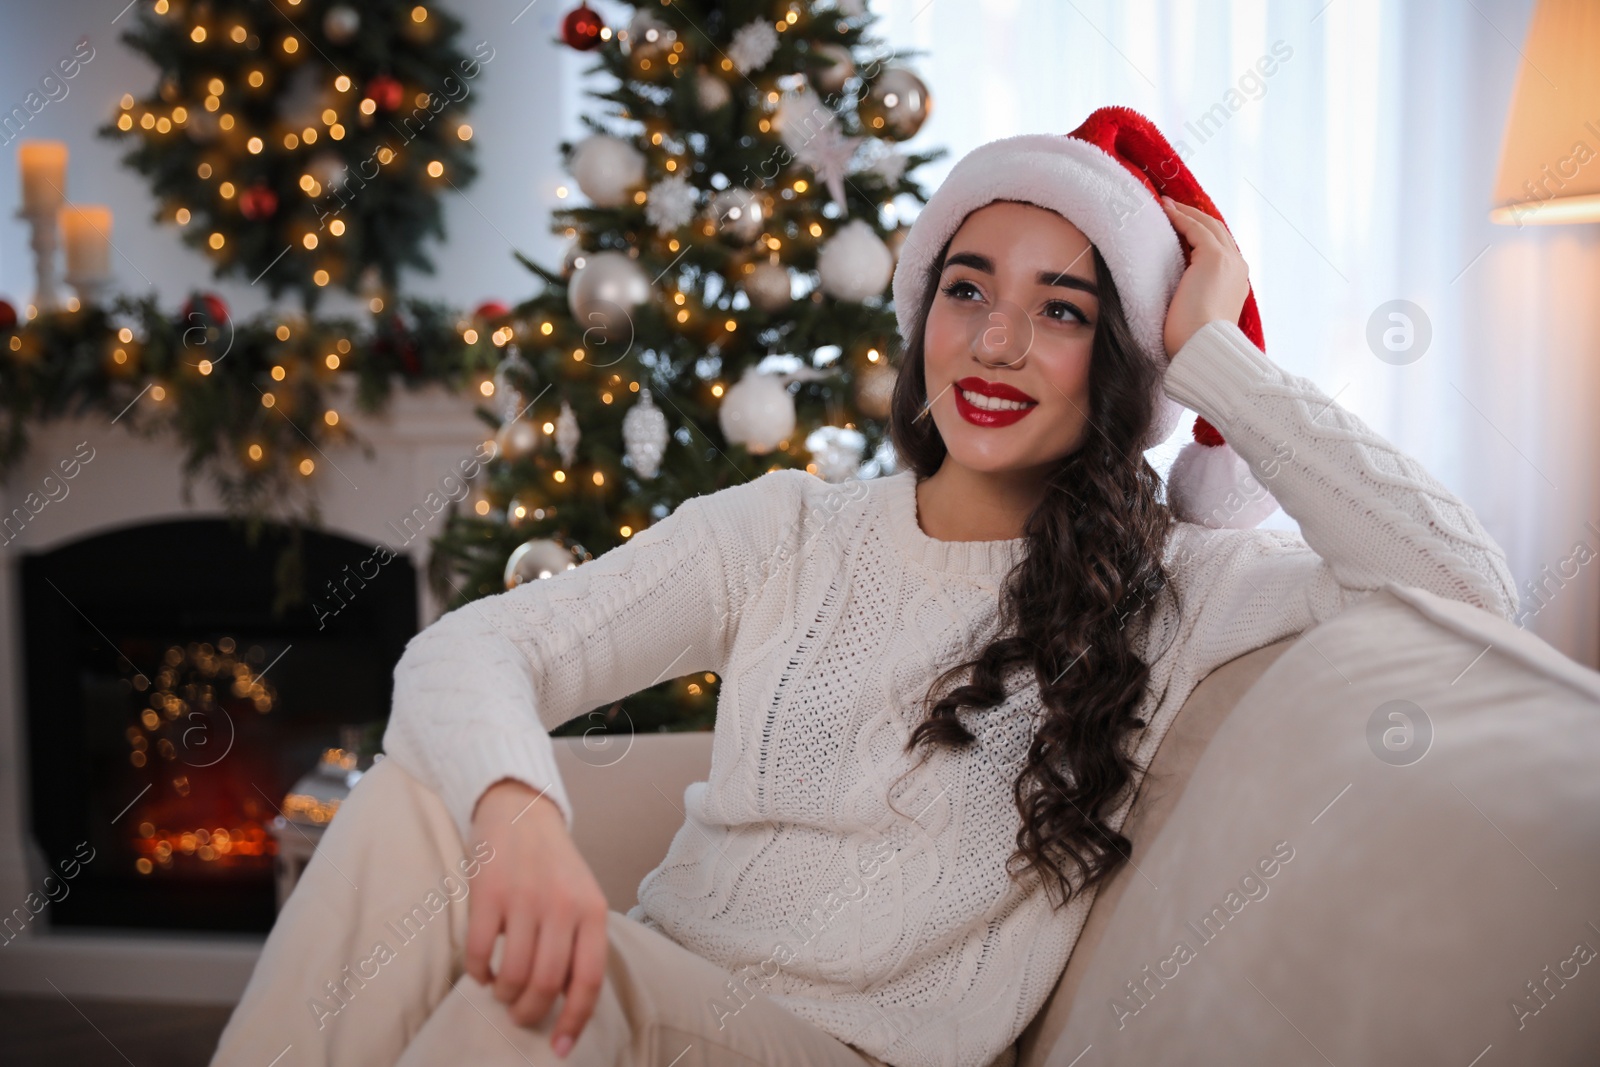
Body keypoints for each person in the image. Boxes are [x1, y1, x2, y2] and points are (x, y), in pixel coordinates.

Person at [209, 106, 1518, 1067]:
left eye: (1065, 309)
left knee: (527, 1002)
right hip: (661, 991)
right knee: (405, 812)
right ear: (921, 316)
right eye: (969, 289)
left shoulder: (1188, 583)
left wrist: (1215, 359)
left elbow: (1465, 589)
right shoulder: (792, 531)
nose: (999, 338)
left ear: (1124, 358)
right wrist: (520, 818)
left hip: (840, 1054)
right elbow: (470, 650)